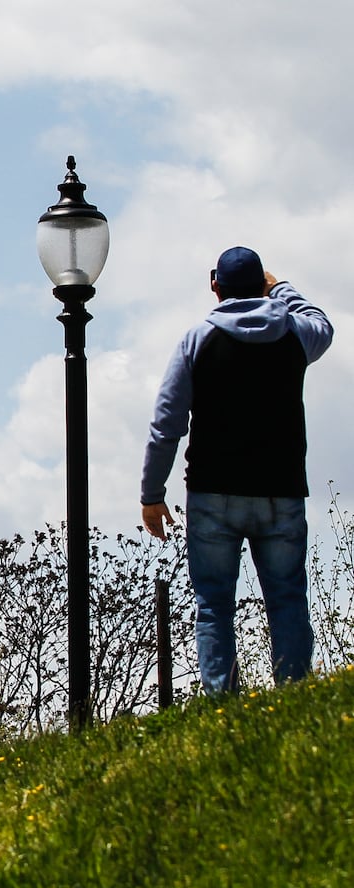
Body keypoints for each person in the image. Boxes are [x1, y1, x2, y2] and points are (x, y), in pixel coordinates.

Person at [141, 247, 334, 694]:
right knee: (286, 599)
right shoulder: (295, 333)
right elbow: (324, 324)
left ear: (216, 287)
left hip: (213, 492)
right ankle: (294, 694)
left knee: (214, 604)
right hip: (281, 489)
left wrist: (152, 494)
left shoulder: (198, 339)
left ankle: (222, 702)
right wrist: (280, 287)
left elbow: (166, 424)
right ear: (262, 286)